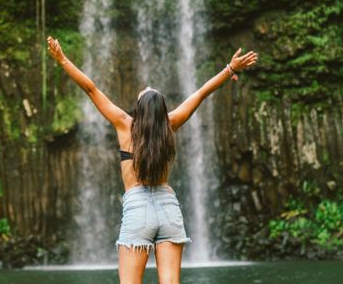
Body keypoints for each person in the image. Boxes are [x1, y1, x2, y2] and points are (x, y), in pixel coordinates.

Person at [47, 35, 258, 284]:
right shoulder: (170, 124)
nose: (147, 85)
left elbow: (91, 89)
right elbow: (200, 94)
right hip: (169, 207)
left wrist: (62, 60)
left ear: (139, 108)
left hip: (137, 209)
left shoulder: (125, 125)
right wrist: (230, 69)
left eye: (146, 91)